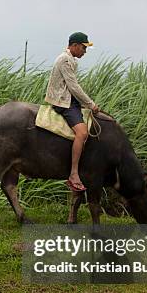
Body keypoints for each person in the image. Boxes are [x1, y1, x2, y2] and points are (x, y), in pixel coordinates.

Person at [45, 31, 100, 192]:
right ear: (74, 46)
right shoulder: (65, 60)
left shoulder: (70, 59)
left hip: (68, 99)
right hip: (63, 102)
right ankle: (74, 174)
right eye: (83, 47)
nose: (85, 51)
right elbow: (73, 86)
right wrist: (90, 104)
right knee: (82, 133)